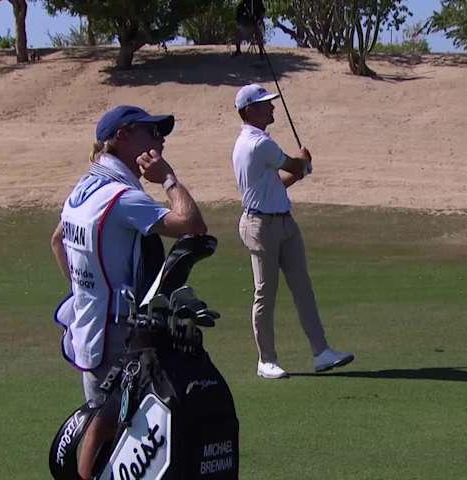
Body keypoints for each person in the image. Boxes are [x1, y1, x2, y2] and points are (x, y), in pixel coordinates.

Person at [50, 105, 206, 479]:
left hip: (89, 327)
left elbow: (58, 241)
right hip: (118, 335)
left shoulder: (85, 187)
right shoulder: (120, 196)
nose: (160, 140)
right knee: (114, 428)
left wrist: (87, 291)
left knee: (102, 421)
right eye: (150, 133)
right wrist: (168, 178)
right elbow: (192, 225)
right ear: (122, 137)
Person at [231, 83, 354, 379]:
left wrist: (300, 170)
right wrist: (303, 161)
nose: (272, 107)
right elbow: (292, 164)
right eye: (265, 104)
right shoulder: (258, 143)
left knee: (302, 288)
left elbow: (277, 184)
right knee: (265, 294)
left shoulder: (259, 142)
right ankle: (266, 360)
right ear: (249, 111)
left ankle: (321, 352)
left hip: (283, 221)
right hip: (260, 225)